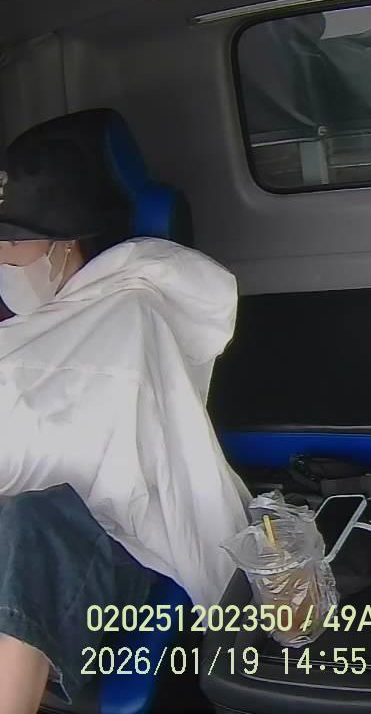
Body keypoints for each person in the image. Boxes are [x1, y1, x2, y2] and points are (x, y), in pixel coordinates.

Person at [0, 111, 250, 711]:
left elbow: (122, 455)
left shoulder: (131, 313)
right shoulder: (21, 327)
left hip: (105, 533)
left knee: (34, 519)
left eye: (13, 242)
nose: (1, 256)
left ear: (64, 243)